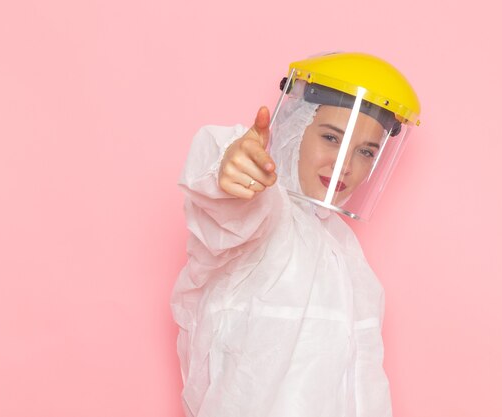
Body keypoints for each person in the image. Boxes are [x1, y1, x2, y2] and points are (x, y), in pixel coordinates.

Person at [171, 52, 421, 417]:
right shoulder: (263, 218)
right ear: (294, 127)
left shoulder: (347, 255)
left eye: (366, 151)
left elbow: (363, 386)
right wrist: (231, 169)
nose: (345, 165)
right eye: (332, 138)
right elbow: (226, 211)